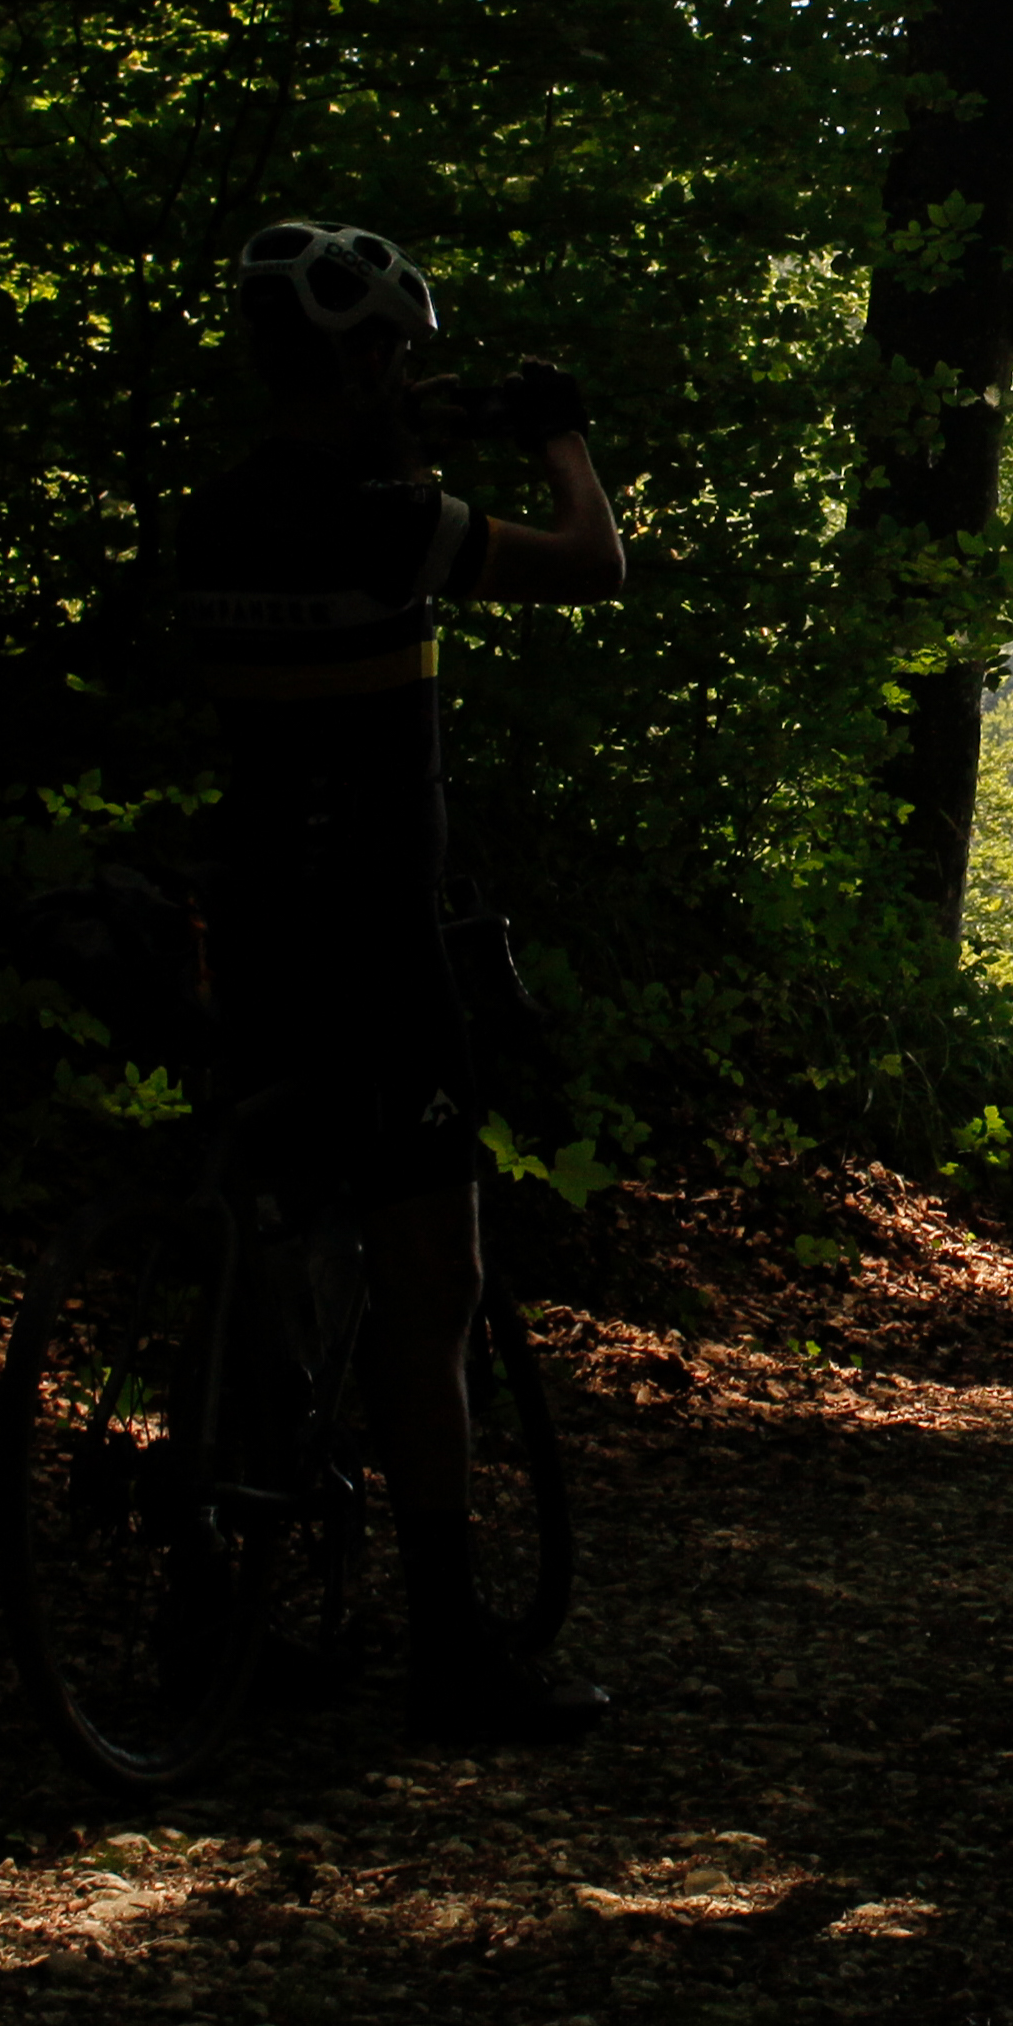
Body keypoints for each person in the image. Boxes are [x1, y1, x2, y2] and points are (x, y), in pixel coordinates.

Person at [178, 218, 626, 1746]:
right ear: (364, 355)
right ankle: (450, 1648)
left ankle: (210, 1599)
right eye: (400, 353)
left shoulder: (213, 517)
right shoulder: (394, 517)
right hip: (375, 937)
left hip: (245, 924)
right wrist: (560, 438)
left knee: (258, 1241)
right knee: (431, 1289)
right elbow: (592, 560)